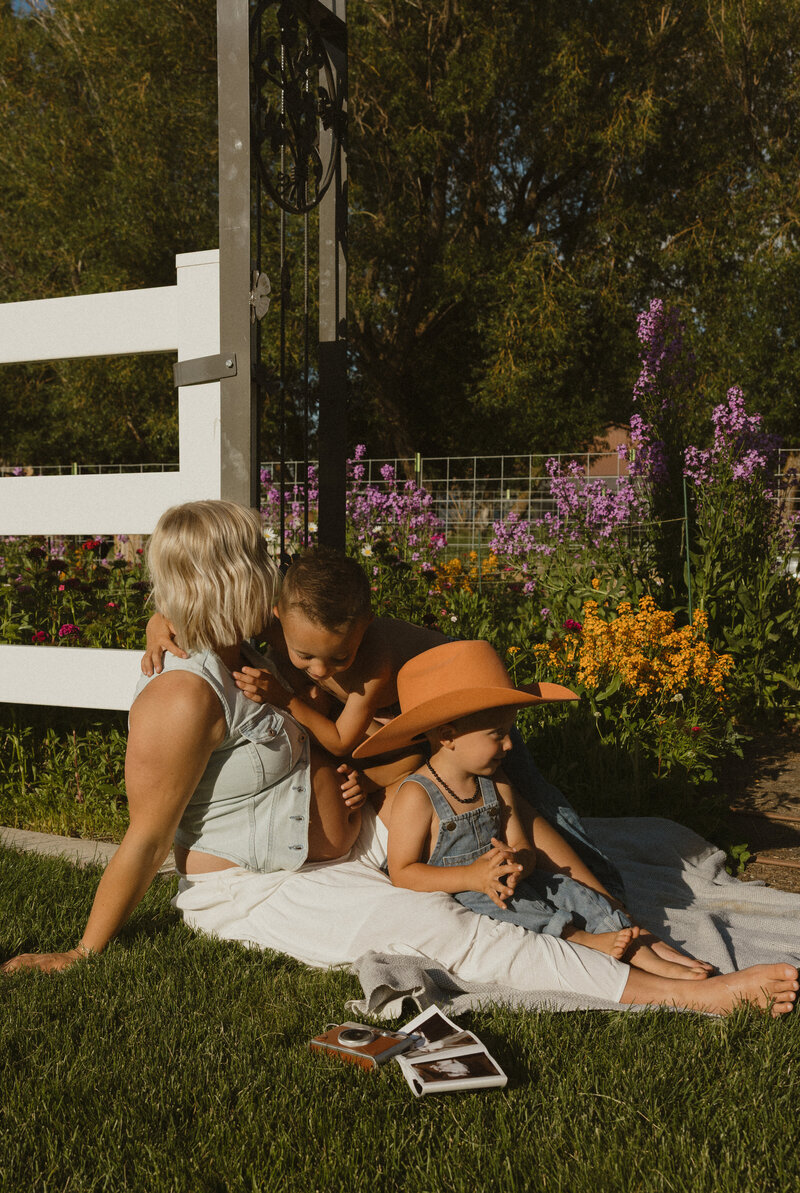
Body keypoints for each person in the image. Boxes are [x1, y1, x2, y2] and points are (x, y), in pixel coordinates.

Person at [6, 500, 796, 1018]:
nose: (273, 571)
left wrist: (164, 614)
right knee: (431, 920)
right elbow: (145, 839)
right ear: (234, 579)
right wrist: (82, 951)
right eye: (259, 560)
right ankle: (685, 995)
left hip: (346, 844)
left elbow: (217, 632)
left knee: (476, 799)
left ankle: (598, 915)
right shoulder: (178, 698)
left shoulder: (242, 645)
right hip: (255, 889)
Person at [142, 546, 628, 903]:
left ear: (365, 627)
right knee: (464, 799)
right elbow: (212, 603)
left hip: (468, 709)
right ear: (275, 617)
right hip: (409, 728)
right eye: (304, 655)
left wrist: (289, 698)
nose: (319, 669)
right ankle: (494, 871)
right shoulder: (290, 617)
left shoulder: (374, 662)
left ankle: (603, 894)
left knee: (526, 801)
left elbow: (341, 740)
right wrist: (160, 618)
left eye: (338, 657)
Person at [363, 640, 708, 978]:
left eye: (510, 731)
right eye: (498, 734)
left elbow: (522, 843)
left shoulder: (495, 782)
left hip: (506, 880)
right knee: (510, 909)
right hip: (468, 889)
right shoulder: (418, 795)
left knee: (568, 887)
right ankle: (585, 940)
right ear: (448, 735)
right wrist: (473, 876)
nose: (510, 745)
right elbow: (404, 872)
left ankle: (634, 944)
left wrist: (520, 863)